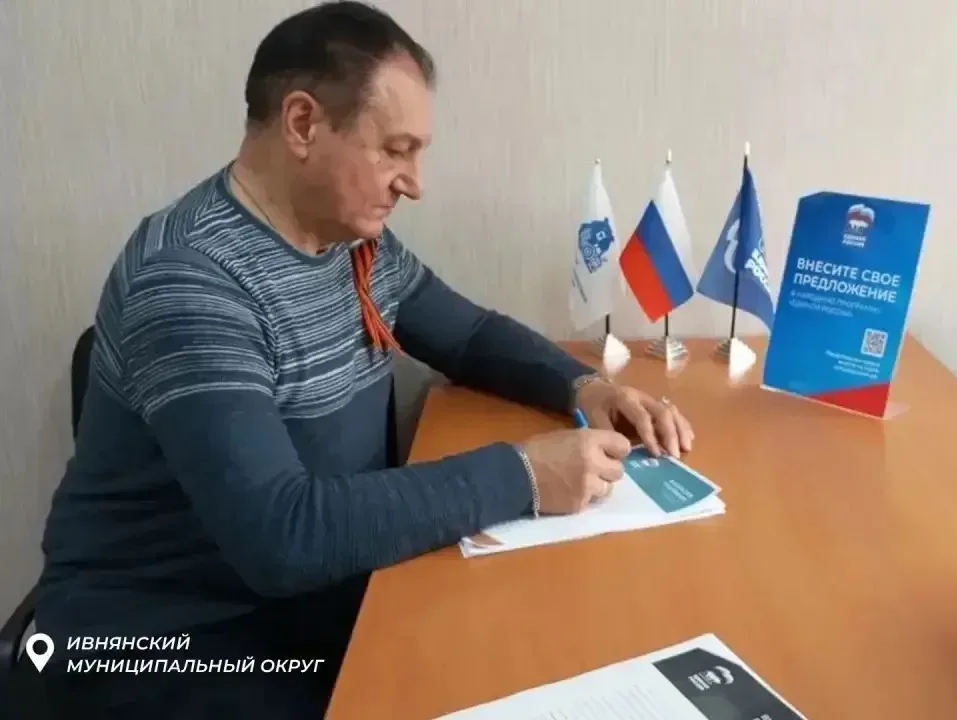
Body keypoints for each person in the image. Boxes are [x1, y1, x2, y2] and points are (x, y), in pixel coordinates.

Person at [34, 2, 694, 717]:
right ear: (302, 124)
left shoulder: (350, 241)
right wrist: (525, 474)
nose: (415, 182)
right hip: (172, 643)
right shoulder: (190, 281)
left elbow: (469, 336)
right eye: (395, 150)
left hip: (316, 596)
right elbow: (282, 536)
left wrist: (586, 387)